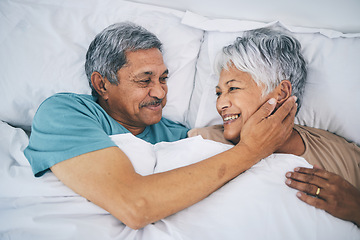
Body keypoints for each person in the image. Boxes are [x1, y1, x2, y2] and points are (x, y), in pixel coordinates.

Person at [24, 22, 297, 230]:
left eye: (163, 78)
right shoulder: (65, 112)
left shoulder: (183, 137)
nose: (160, 92)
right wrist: (251, 150)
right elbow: (134, 206)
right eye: (145, 80)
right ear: (102, 84)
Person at [188, 27, 360, 227]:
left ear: (281, 93)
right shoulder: (200, 142)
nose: (220, 104)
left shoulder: (343, 157)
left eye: (233, 88)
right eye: (219, 93)